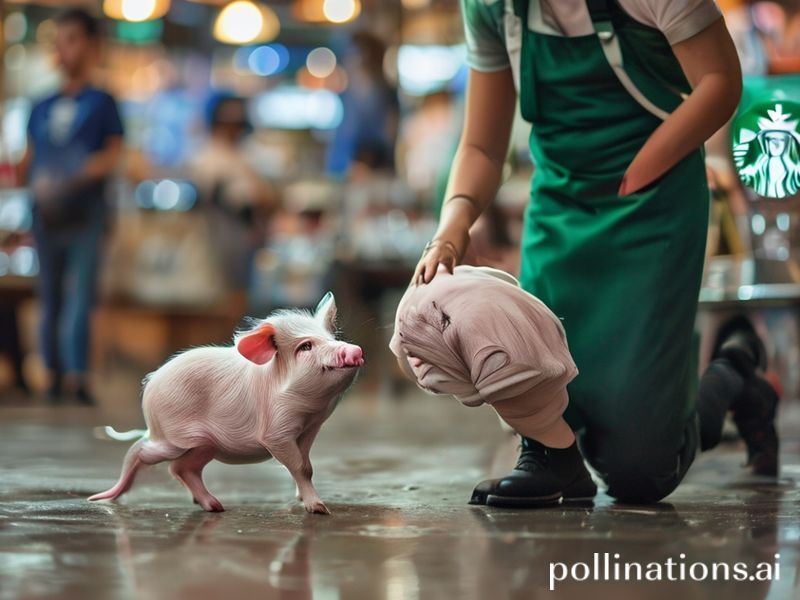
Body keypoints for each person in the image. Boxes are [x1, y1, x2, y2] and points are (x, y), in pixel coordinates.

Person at [412, 0, 780, 505]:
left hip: (652, 205)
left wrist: (650, 160)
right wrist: (452, 226)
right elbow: (481, 146)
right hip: (560, 209)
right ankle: (551, 458)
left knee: (639, 473)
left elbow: (720, 81)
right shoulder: (493, 8)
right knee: (536, 371)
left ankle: (734, 368)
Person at [16, 9, 124, 404]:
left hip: (86, 212)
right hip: (45, 212)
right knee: (50, 295)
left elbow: (112, 154)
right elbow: (26, 158)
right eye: (59, 40)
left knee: (81, 295)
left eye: (73, 39)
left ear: (93, 46)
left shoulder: (103, 101)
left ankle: (77, 376)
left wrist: (74, 175)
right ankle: (53, 374)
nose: (64, 49)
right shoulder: (40, 104)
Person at [188, 93, 274, 306]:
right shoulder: (208, 156)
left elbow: (265, 197)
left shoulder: (242, 154)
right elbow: (235, 201)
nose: (234, 129)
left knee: (238, 298)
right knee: (225, 298)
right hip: (219, 237)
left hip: (242, 239)